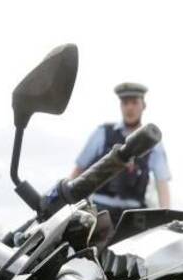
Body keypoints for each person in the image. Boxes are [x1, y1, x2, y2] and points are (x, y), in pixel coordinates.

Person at [71, 82, 171, 227]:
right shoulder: (103, 133)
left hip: (133, 217)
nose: (129, 107)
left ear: (143, 105)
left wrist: (166, 219)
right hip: (98, 212)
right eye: (125, 103)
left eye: (134, 102)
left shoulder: (153, 142)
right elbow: (78, 172)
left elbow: (162, 184)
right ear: (120, 106)